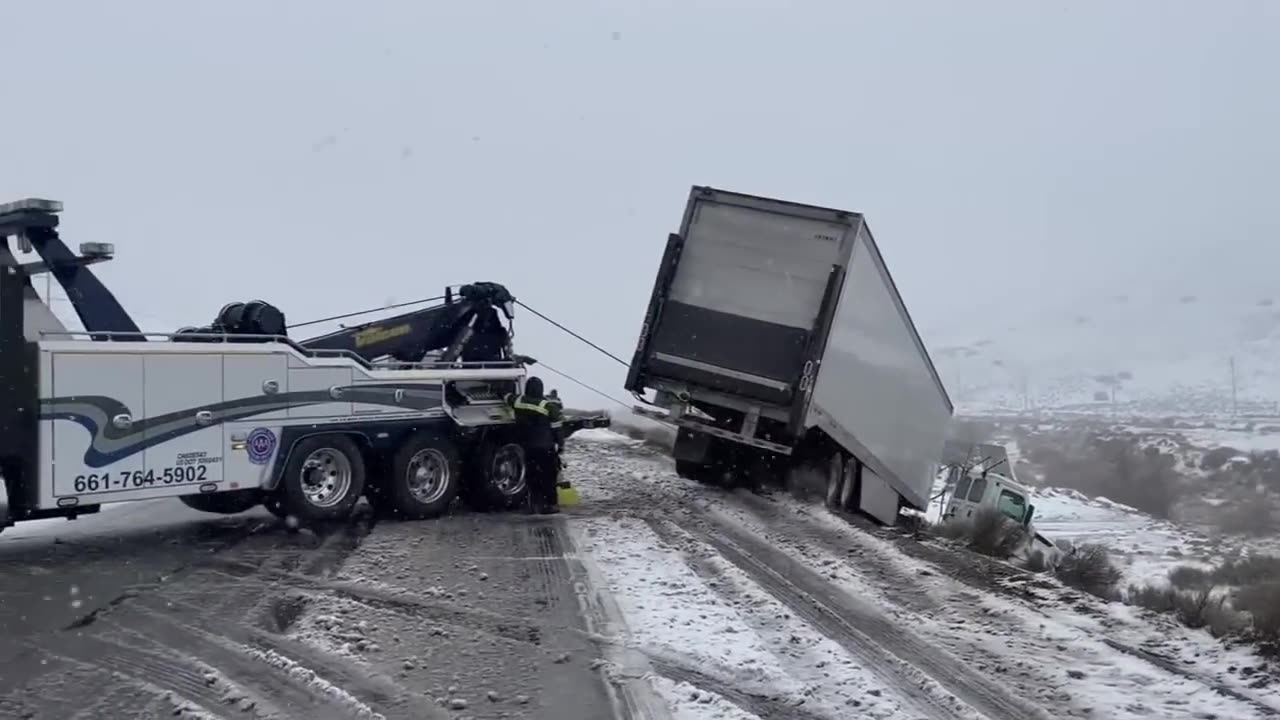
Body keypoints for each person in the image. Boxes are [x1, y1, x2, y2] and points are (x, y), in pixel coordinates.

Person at [504, 376, 564, 514]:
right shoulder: (548, 406)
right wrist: (560, 445)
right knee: (548, 476)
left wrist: (504, 390)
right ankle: (551, 504)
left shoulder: (518, 402)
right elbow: (557, 429)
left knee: (531, 475)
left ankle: (532, 505)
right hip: (546, 448)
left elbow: (507, 397)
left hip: (528, 446)